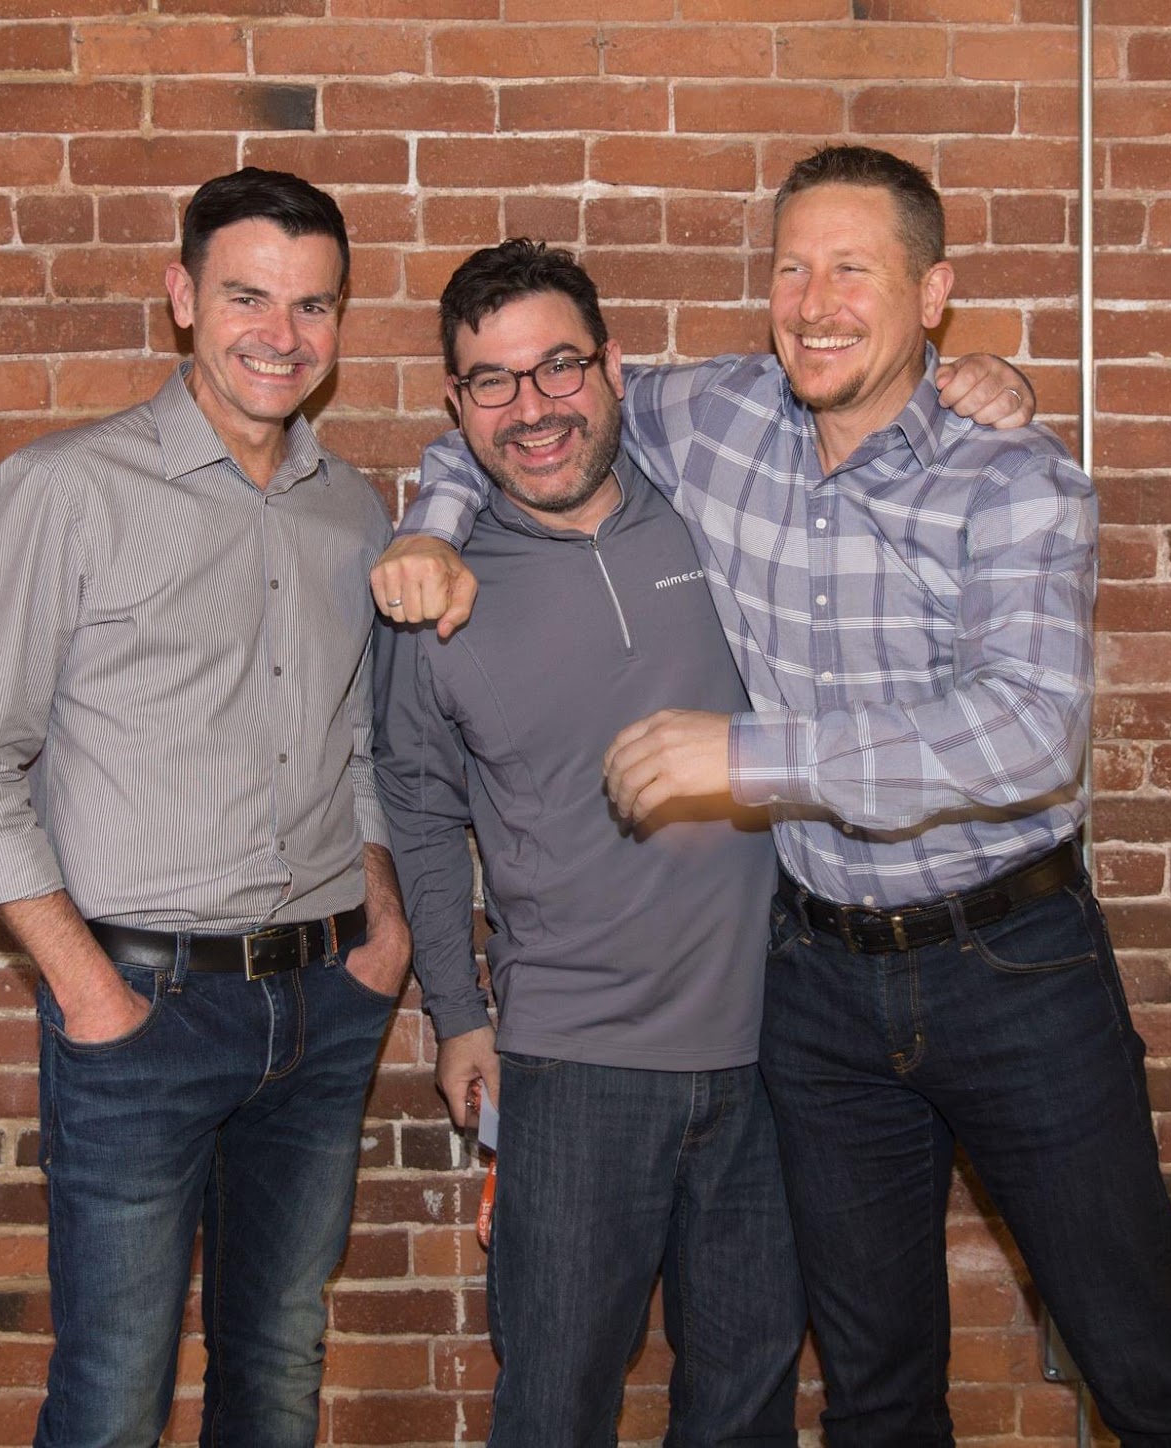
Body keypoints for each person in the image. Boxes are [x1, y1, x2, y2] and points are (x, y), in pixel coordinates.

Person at [374, 146, 1171, 1447]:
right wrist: (431, 525)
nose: (815, 298)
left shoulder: (1012, 474)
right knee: (873, 1378)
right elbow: (530, 412)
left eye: (854, 268)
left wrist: (752, 757)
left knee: (1133, 1347)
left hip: (1013, 963)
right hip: (822, 992)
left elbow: (1027, 733)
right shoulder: (712, 416)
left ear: (933, 291)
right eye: (791, 267)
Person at [0, 167, 410, 1448]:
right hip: (142, 1013)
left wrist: (384, 927)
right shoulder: (66, 489)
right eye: (248, 295)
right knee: (111, 1395)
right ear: (182, 295)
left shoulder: (350, 511)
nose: (281, 334)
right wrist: (90, 991)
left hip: (321, 1008)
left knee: (276, 1368)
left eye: (314, 305)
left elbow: (355, 735)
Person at [373, 240, 805, 1447]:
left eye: (557, 365)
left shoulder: (721, 527)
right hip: (568, 1070)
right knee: (553, 1407)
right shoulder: (436, 592)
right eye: (492, 382)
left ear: (614, 366)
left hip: (775, 1051)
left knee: (744, 1408)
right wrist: (457, 1011)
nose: (533, 407)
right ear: (455, 408)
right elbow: (415, 805)